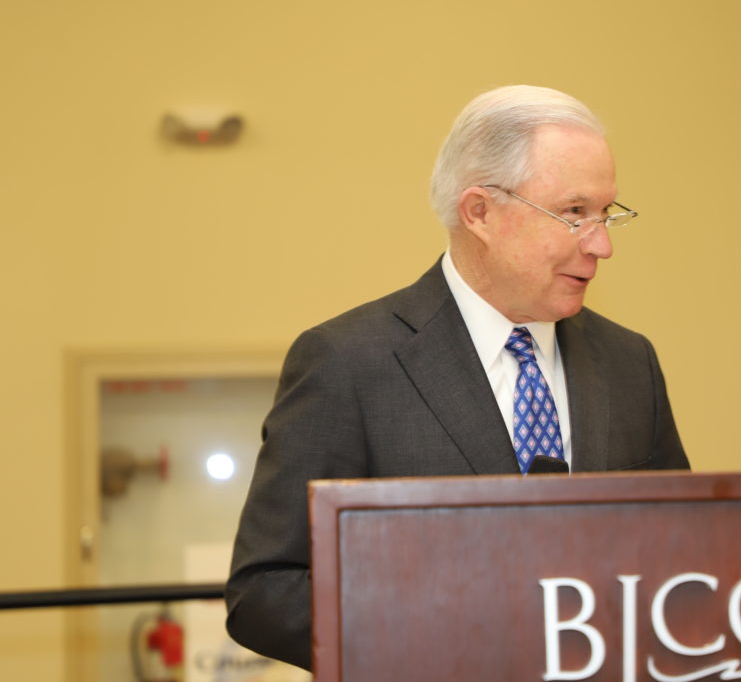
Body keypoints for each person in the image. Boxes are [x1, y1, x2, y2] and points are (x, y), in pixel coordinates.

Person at [225, 84, 690, 670]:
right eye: (574, 213)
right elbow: (265, 592)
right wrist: (444, 630)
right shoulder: (349, 362)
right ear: (480, 213)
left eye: (606, 214)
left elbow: (683, 554)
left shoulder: (628, 361)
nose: (601, 244)